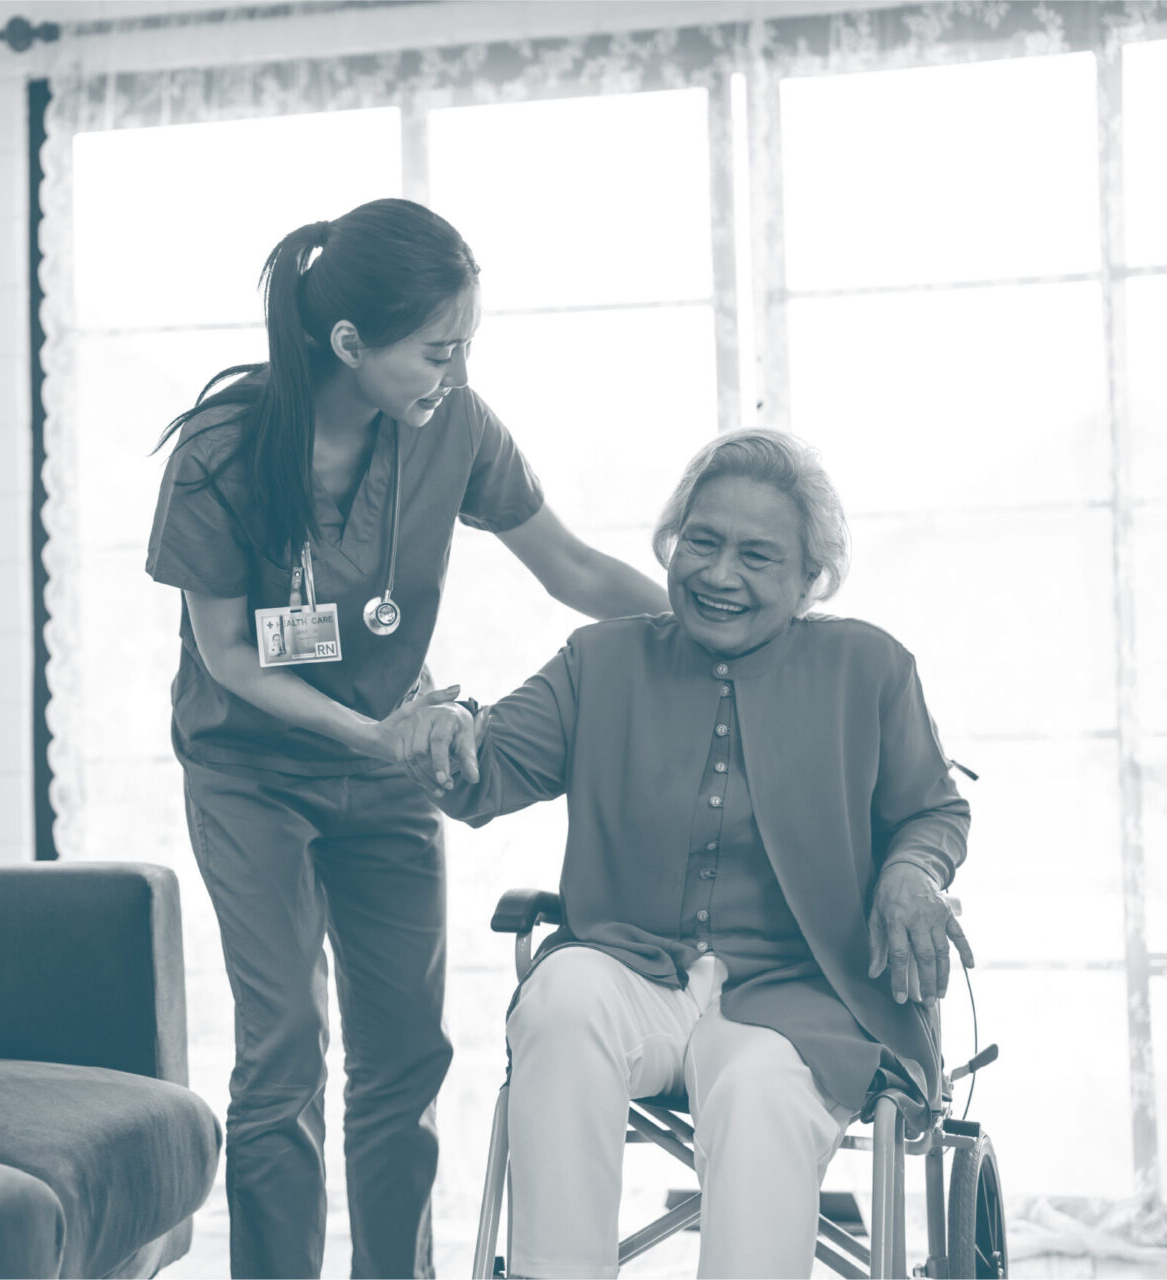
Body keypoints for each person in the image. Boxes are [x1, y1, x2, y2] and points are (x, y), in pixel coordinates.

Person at [144, 197, 667, 1279]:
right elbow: (233, 656)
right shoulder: (226, 445)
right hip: (251, 772)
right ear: (349, 344)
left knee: (402, 1057)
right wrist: (373, 734)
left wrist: (704, 622)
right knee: (282, 1041)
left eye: (464, 344)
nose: (453, 368)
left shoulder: (455, 428)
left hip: (384, 775)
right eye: (436, 348)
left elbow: (568, 565)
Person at [400, 429, 973, 1278]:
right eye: (701, 542)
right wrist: (445, 734)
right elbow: (486, 769)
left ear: (809, 579)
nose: (719, 574)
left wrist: (910, 870)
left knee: (757, 1089)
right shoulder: (601, 659)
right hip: (637, 972)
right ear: (671, 543)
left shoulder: (869, 667)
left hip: (800, 993)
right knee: (561, 998)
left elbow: (933, 811)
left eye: (757, 556)